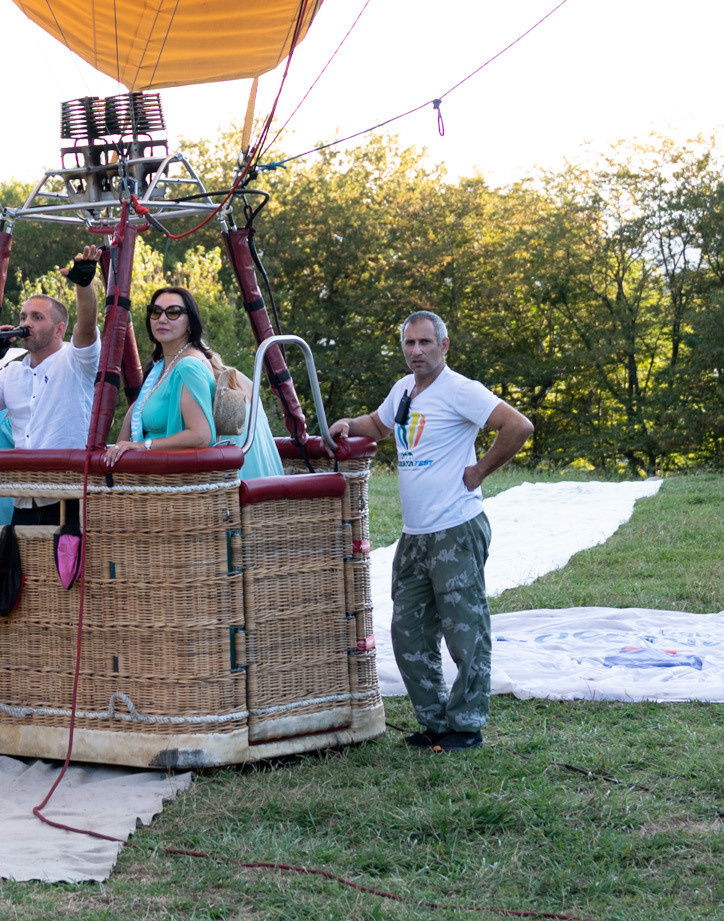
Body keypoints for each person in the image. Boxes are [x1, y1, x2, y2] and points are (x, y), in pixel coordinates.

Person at [328, 310, 533, 754]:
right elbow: (380, 426)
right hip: (415, 535)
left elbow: (518, 426)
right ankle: (435, 723)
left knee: (465, 631)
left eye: (425, 343)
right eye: (409, 343)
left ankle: (467, 724)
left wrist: (478, 472)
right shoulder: (404, 389)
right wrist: (348, 424)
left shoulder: (460, 390)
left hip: (456, 528)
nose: (416, 351)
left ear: (444, 345)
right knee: (408, 631)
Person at [0, 256, 102, 523]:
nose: (25, 323)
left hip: (70, 497)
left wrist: (83, 286)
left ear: (59, 330)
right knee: (26, 567)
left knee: (67, 566)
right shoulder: (12, 372)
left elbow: (87, 328)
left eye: (36, 317)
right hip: (23, 498)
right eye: (23, 316)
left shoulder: (76, 361)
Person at [103, 285, 282, 477]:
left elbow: (201, 436)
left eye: (173, 313)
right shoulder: (163, 367)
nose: (162, 318)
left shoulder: (188, 367)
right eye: (155, 312)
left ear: (190, 323)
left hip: (185, 489)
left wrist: (143, 445)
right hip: (162, 483)